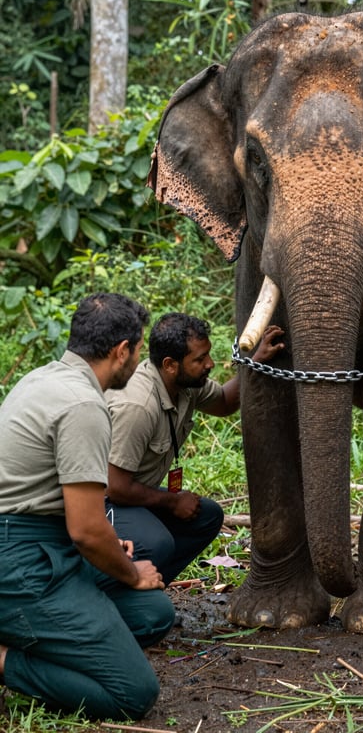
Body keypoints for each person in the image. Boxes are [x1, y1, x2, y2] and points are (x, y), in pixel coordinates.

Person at [0, 293, 175, 720]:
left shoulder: (42, 378)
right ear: (122, 352)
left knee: (152, 614)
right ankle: (6, 658)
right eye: (138, 351)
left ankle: (38, 631)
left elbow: (67, 512)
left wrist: (112, 549)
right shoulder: (83, 405)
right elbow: (85, 530)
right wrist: (129, 571)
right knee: (133, 693)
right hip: (20, 559)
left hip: (40, 541)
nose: (138, 362)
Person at [105, 313, 284, 586]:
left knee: (207, 516)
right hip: (99, 503)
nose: (210, 364)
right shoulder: (138, 407)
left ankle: (146, 587)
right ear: (170, 365)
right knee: (158, 541)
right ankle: (114, 588)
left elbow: (223, 402)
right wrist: (173, 501)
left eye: (207, 355)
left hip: (130, 494)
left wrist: (254, 361)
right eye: (200, 360)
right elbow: (114, 487)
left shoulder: (183, 384)